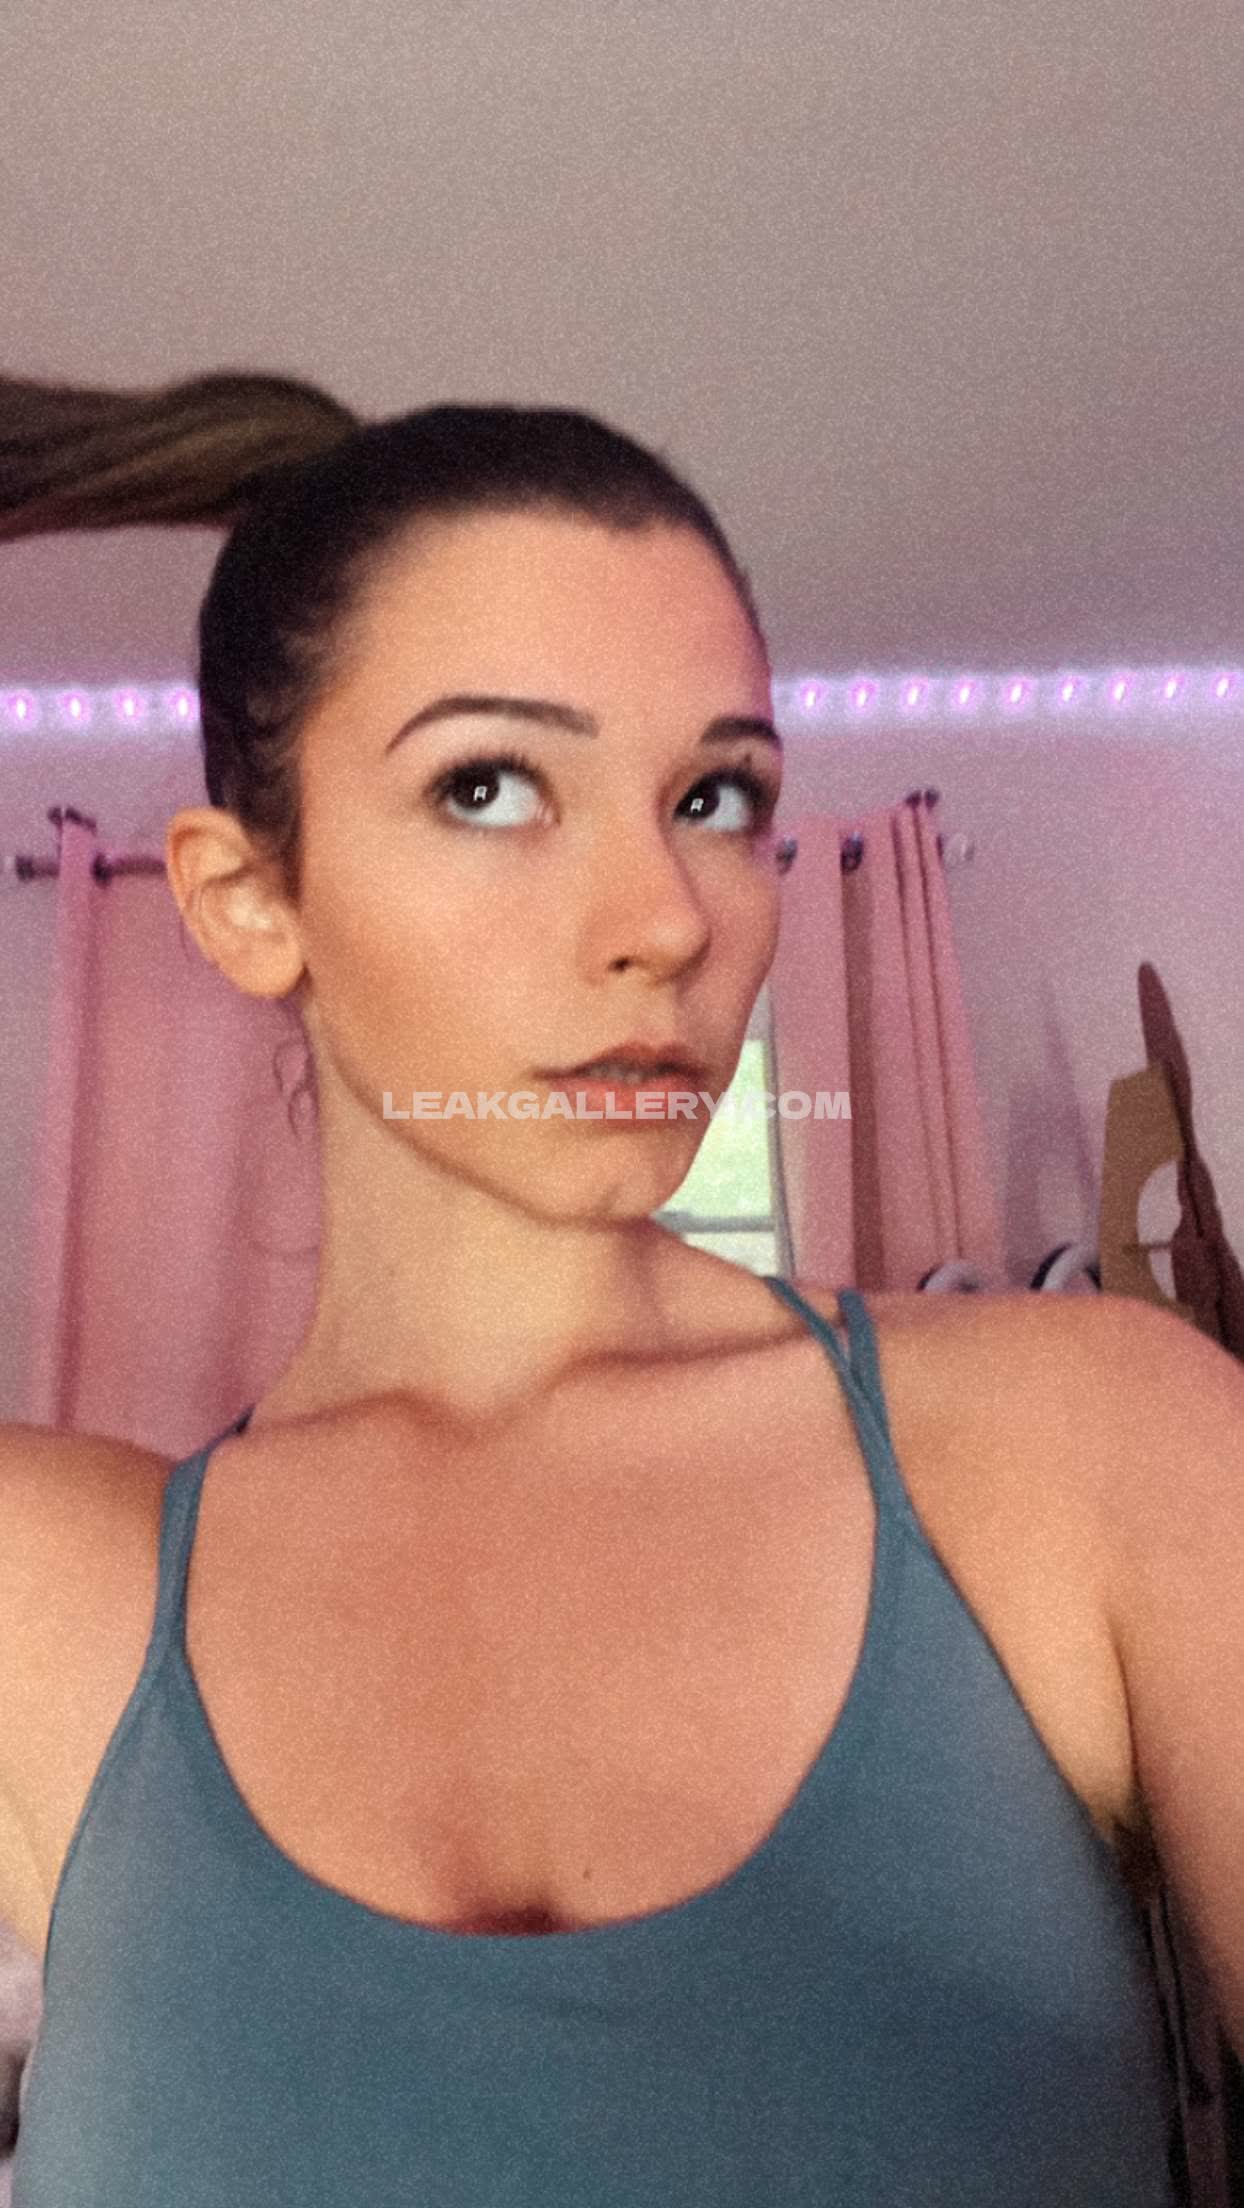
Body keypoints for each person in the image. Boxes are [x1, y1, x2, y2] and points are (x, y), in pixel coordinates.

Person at [0, 371, 1240, 2207]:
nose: (667, 917)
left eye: (716, 796)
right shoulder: (49, 1594)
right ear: (248, 899)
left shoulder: (1100, 1447)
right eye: (489, 786)